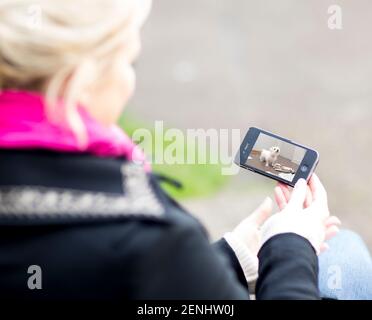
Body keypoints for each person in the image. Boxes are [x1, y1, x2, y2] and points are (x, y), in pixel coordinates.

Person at [0, 0, 369, 300]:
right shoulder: (147, 236)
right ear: (77, 81)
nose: (129, 82)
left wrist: (233, 257)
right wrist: (290, 246)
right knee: (345, 255)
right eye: (128, 62)